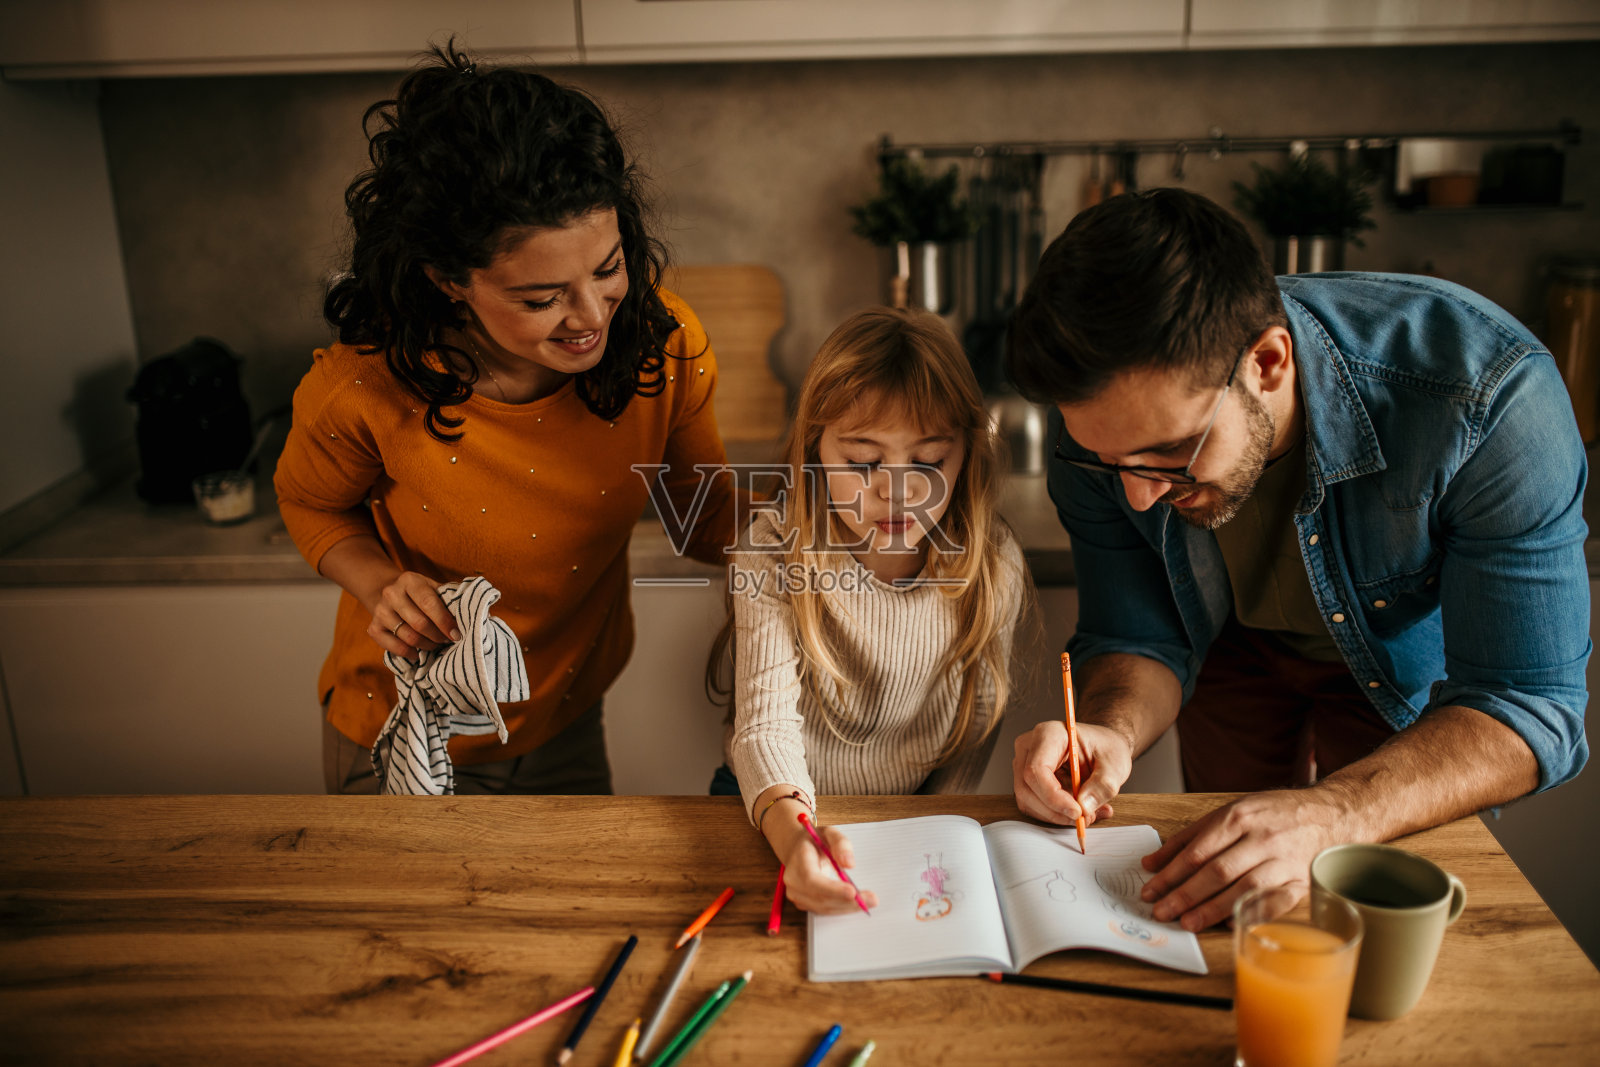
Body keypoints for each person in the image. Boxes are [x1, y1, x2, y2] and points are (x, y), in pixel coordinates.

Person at [1005, 188, 1589, 931]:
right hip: (1228, 654)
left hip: (1397, 679)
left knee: (1367, 924)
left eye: (1169, 454)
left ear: (1268, 363)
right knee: (1235, 904)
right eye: (1107, 462)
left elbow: (1529, 702)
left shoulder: (1487, 398)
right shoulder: (1103, 435)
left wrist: (1334, 811)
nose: (1139, 497)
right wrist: (1111, 730)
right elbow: (1138, 634)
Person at [274, 45, 739, 795]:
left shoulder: (665, 345)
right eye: (541, 298)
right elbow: (310, 502)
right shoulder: (364, 387)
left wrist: (842, 523)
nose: (592, 318)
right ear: (448, 279)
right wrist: (380, 583)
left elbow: (702, 513)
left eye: (609, 268)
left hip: (562, 716)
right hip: (401, 726)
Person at [706, 307, 1033, 914]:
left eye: (930, 462)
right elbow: (764, 729)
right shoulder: (771, 552)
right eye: (862, 463)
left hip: (910, 814)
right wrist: (800, 840)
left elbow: (975, 724)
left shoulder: (994, 560)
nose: (899, 490)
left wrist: (931, 828)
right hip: (772, 807)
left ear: (967, 453)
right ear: (815, 449)